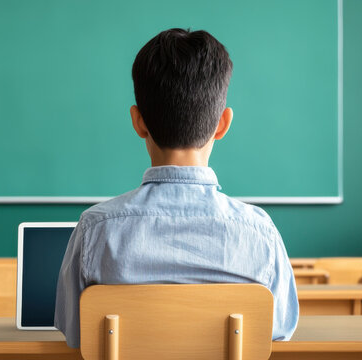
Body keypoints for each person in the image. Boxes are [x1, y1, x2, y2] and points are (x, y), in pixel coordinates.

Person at [54, 28, 299, 348]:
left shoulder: (96, 229)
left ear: (138, 121)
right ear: (223, 124)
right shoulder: (259, 232)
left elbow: (74, 335)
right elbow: (279, 332)